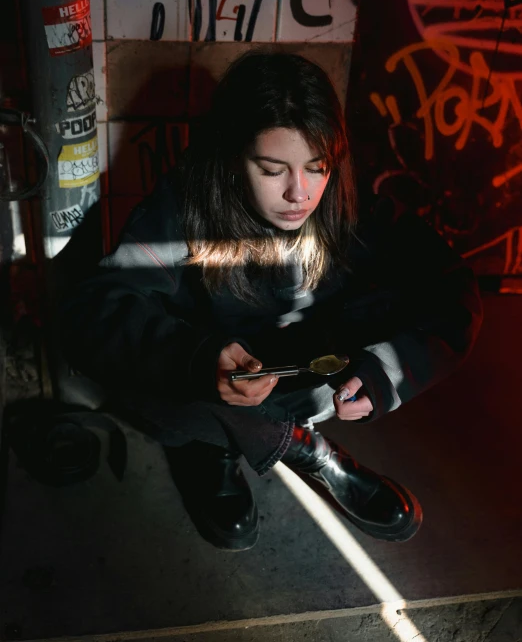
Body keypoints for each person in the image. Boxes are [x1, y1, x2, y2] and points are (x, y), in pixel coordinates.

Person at [60, 52, 483, 552]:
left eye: (317, 167)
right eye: (271, 169)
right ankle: (311, 454)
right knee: (136, 373)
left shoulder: (351, 204)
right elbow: (95, 314)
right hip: (212, 385)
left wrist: (389, 372)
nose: (298, 193)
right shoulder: (185, 202)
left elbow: (454, 289)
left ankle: (236, 435)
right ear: (235, 157)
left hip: (307, 376)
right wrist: (198, 361)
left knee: (405, 296)